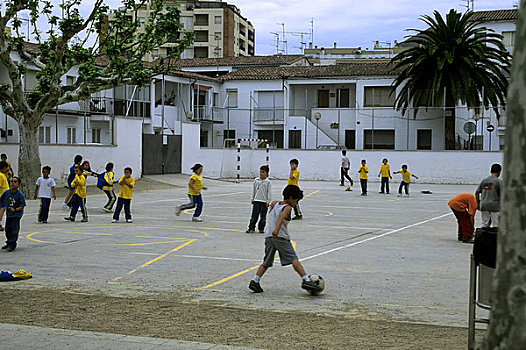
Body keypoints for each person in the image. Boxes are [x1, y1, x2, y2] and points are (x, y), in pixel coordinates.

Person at [248, 185, 322, 294]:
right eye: (296, 200)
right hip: (280, 237)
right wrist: (277, 229)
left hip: (269, 237)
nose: (296, 203)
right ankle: (306, 280)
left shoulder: (274, 203)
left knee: (266, 262)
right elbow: (281, 216)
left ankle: (255, 280)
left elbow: (273, 208)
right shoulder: (288, 207)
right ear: (291, 198)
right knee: (294, 259)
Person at [0, 177, 26, 252]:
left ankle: (12, 244)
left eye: (15, 182)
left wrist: (14, 210)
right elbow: (1, 200)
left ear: (18, 184)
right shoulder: (6, 193)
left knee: (14, 230)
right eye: (11, 181)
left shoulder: (19, 195)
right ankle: (8, 241)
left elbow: (22, 206)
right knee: (8, 229)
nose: (13, 183)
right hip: (9, 215)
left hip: (16, 215)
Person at [246, 165, 272, 233]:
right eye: (260, 172)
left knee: (263, 217)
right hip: (256, 200)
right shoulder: (256, 180)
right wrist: (252, 198)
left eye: (263, 172)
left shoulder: (268, 182)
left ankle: (261, 228)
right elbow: (254, 190)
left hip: (264, 201)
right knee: (254, 216)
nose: (261, 173)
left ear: (267, 173)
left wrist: (268, 201)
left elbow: (269, 192)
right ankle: (251, 228)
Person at [475, 163, 502, 228]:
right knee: (496, 225)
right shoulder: (498, 181)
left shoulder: (484, 180)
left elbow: (477, 192)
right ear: (499, 172)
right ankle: (496, 238)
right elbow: (502, 194)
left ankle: (482, 236)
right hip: (495, 206)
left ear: (490, 171)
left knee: (484, 223)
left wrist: (478, 204)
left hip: (484, 205)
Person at [0, 161, 10, 231]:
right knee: (2, 209)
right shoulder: (0, 175)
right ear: (3, 168)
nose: (7, 170)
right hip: (2, 195)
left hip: (5, 195)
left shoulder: (3, 175)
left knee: (3, 209)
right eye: (7, 168)